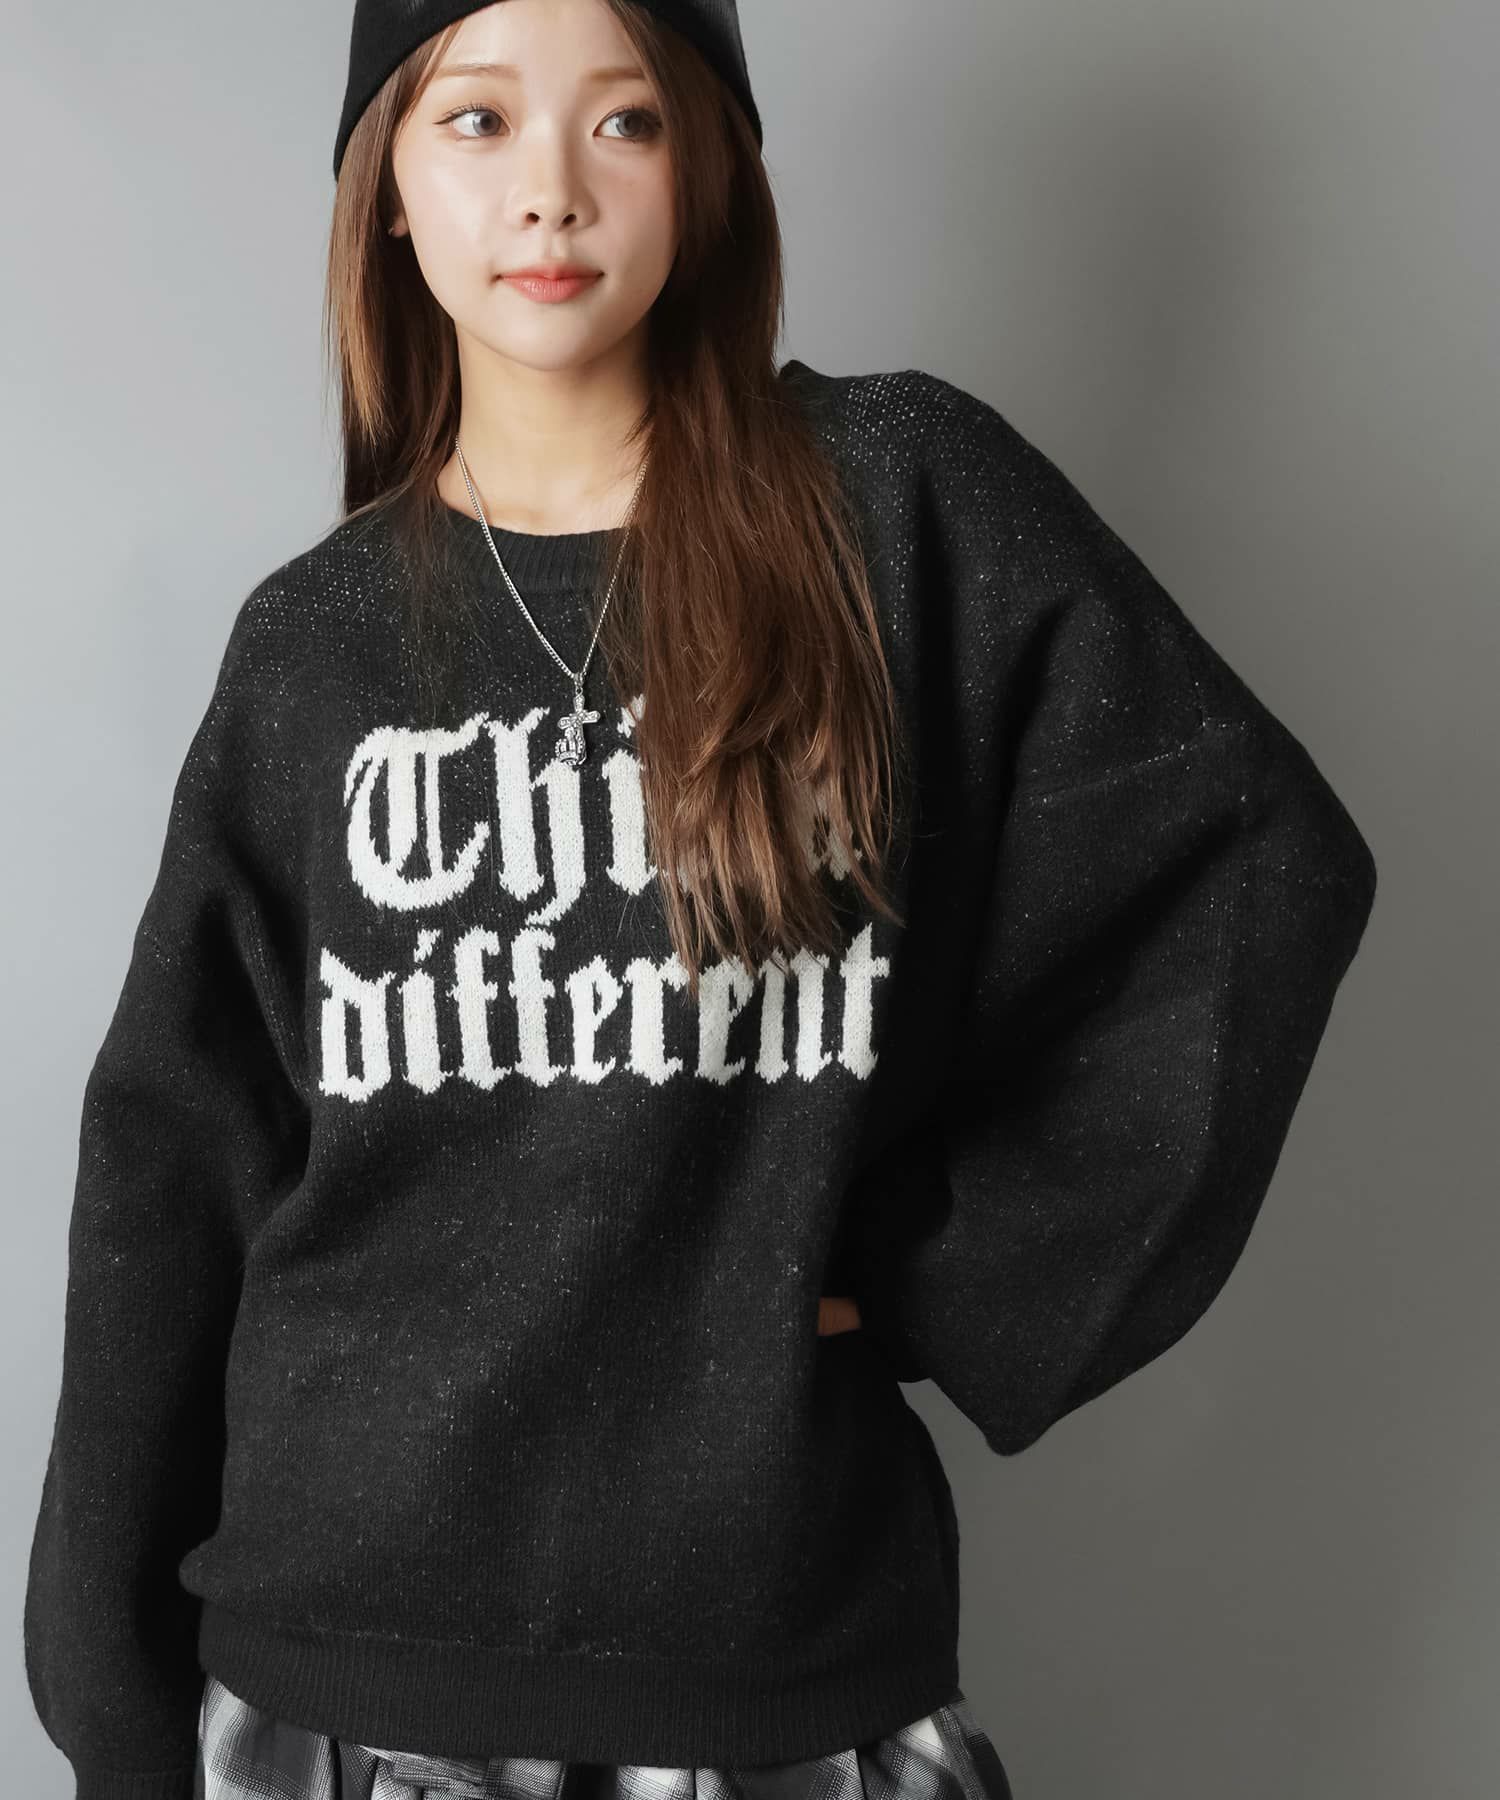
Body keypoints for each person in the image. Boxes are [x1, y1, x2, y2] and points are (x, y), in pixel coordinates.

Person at [21, 1, 1379, 1796]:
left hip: (772, 1665)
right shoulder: (311, 646)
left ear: (709, 171)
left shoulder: (897, 508)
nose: (552, 190)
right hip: (344, 1670)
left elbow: (1253, 865)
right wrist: (112, 1704)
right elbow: (175, 1167)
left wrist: (950, 1282)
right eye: (477, 121)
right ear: (388, 191)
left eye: (628, 121)